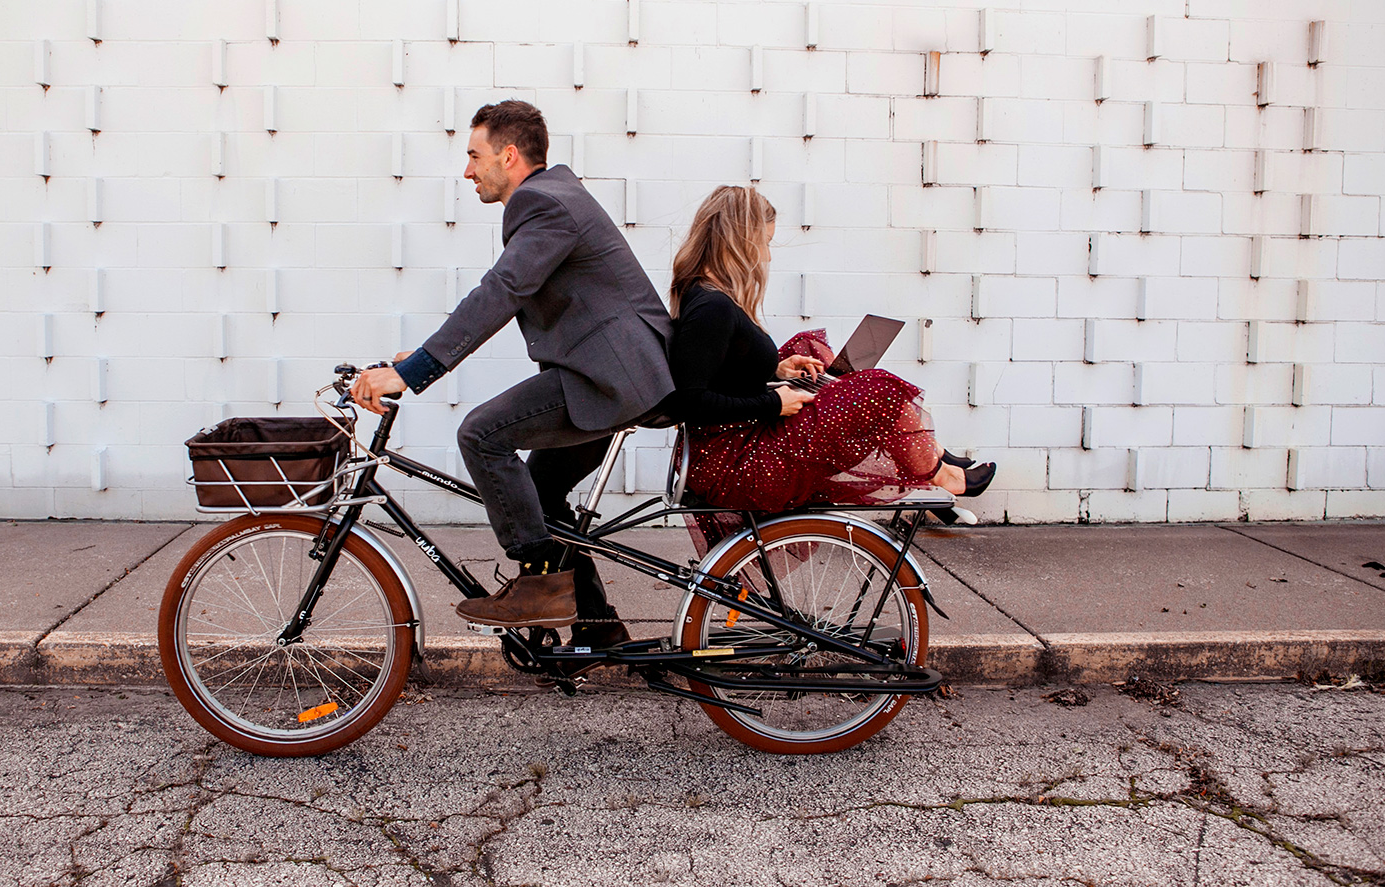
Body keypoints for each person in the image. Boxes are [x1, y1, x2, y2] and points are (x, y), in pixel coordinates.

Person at [349, 101, 672, 645]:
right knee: (543, 498)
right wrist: (417, 357)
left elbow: (502, 290)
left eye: (474, 156)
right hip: (610, 377)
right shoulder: (557, 197)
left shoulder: (542, 204)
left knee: (480, 434)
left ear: (509, 154)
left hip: (609, 381)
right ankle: (598, 630)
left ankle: (538, 584)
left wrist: (418, 371)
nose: (468, 171)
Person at [661, 185, 993, 547]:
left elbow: (717, 370)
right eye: (765, 243)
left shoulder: (709, 296)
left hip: (735, 447)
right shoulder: (712, 307)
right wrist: (774, 403)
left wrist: (778, 371)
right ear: (740, 241)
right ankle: (941, 473)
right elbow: (687, 401)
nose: (768, 257)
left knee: (811, 352)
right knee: (879, 389)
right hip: (736, 464)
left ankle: (934, 459)